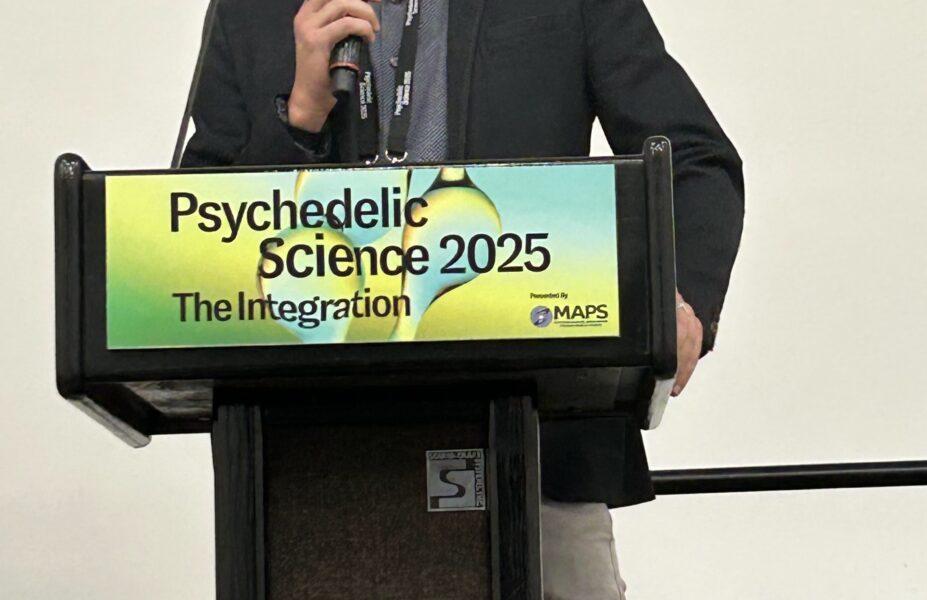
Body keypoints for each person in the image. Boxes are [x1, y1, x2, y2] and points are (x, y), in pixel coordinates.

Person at [182, 0, 743, 597]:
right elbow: (193, 229)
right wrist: (299, 119)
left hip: (540, 453)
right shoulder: (249, 12)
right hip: (308, 470)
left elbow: (696, 160)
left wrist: (679, 297)